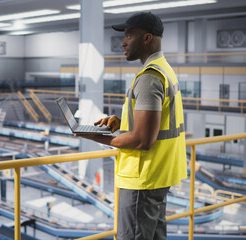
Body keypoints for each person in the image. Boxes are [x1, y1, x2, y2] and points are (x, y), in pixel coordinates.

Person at [76, 12, 187, 240]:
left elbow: (142, 140)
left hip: (142, 180)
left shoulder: (149, 77)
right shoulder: (165, 69)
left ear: (147, 38)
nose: (123, 42)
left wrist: (93, 135)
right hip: (159, 175)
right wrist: (122, 122)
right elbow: (158, 119)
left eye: (129, 36)